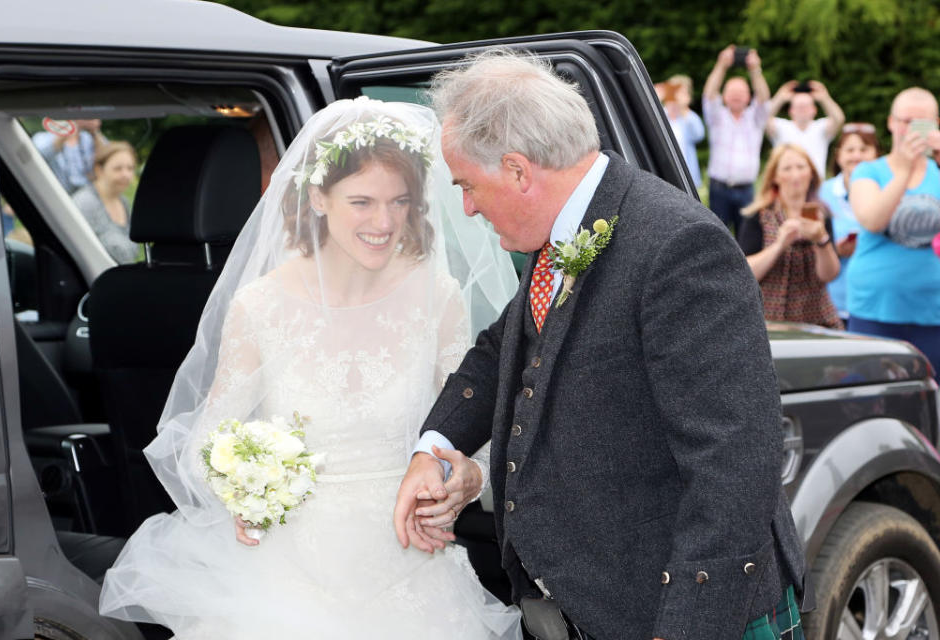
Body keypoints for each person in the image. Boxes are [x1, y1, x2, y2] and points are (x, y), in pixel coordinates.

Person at [394, 50, 805, 640]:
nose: (468, 207)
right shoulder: (565, 226)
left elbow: (734, 463)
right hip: (592, 607)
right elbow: (504, 348)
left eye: (468, 185)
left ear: (516, 169)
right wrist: (432, 447)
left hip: (679, 614)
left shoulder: (679, 246)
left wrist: (688, 627)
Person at [99, 97, 523, 638]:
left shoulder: (438, 298)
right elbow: (208, 443)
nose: (384, 222)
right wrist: (247, 491)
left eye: (400, 202)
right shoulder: (261, 306)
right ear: (319, 197)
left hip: (412, 568)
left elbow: (475, 431)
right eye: (362, 202)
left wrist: (463, 480)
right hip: (285, 578)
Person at [848, 87, 940, 377]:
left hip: (933, 312)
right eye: (906, 122)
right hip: (876, 308)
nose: (912, 131)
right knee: (873, 396)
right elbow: (872, 219)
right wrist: (903, 171)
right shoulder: (869, 171)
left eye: (922, 123)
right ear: (890, 123)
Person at [738, 144, 842, 329]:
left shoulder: (821, 214)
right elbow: (745, 273)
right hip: (769, 321)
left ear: (811, 173)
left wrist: (821, 240)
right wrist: (779, 245)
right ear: (775, 177)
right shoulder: (759, 216)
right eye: (787, 168)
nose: (795, 175)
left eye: (801, 167)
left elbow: (829, 275)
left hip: (817, 320)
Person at [702, 44, 771, 232]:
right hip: (719, 189)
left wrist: (755, 70)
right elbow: (708, 95)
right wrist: (721, 65)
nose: (736, 96)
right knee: (717, 236)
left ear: (749, 96)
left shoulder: (755, 119)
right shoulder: (717, 117)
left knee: (747, 238)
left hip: (746, 189)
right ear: (724, 96)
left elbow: (764, 99)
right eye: (732, 92)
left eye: (741, 92)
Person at [818, 123, 880, 324]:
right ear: (838, 155)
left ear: (877, 155)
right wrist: (834, 250)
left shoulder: (889, 193)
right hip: (833, 302)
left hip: (876, 302)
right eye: (850, 150)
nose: (857, 156)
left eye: (864, 149)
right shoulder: (820, 194)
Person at [71, 141, 140, 264]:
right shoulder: (84, 203)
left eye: (130, 168)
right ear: (99, 170)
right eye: (118, 169)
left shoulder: (124, 202)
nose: (126, 175)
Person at [767, 80, 845, 179]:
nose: (803, 110)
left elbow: (839, 119)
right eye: (799, 106)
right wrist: (780, 98)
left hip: (815, 184)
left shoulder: (821, 127)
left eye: (806, 106)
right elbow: (762, 118)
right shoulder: (781, 127)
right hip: (786, 182)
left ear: (814, 110)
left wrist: (825, 98)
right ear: (791, 111)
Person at [32, 118, 107, 194]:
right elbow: (40, 156)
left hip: (85, 193)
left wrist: (94, 131)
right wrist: (69, 128)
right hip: (55, 193)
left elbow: (108, 156)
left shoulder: (88, 138)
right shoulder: (42, 138)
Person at [659, 74, 704, 189]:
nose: (677, 96)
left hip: (687, 178)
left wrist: (684, 109)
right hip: (664, 177)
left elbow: (699, 135)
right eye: (674, 91)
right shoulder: (660, 115)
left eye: (682, 93)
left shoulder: (688, 118)